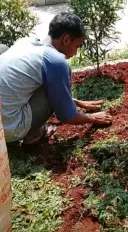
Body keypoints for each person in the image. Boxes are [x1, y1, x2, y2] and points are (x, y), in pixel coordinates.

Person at [0, 12, 112, 145]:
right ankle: (32, 134)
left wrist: (75, 101)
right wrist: (92, 118)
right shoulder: (55, 61)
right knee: (50, 93)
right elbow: (66, 115)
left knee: (3, 49)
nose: (76, 52)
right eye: (77, 46)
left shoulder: (26, 42)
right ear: (66, 40)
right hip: (7, 129)